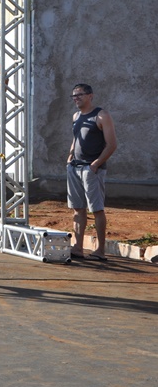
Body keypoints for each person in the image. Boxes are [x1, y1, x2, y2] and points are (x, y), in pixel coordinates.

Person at [67, 84, 117, 261]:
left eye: (79, 95)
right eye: (73, 95)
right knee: (77, 208)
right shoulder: (76, 116)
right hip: (75, 167)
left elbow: (111, 145)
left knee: (96, 209)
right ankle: (78, 247)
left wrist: (95, 165)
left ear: (90, 96)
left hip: (92, 169)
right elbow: (76, 138)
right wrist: (70, 156)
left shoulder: (101, 115)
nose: (76, 98)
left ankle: (100, 250)